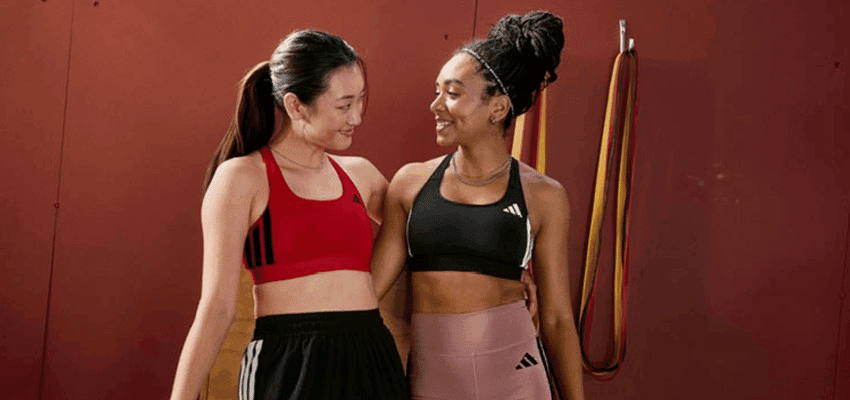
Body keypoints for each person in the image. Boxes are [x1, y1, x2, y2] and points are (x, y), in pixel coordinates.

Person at [169, 30, 407, 400]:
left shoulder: (361, 174)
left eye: (361, 101)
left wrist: (518, 270)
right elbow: (216, 308)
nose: (357, 117)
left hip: (371, 353)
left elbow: (422, 227)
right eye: (344, 105)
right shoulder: (241, 178)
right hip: (289, 361)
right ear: (296, 105)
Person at [372, 10, 585, 400]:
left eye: (452, 93)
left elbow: (556, 318)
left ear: (498, 108)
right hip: (429, 380)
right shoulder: (410, 184)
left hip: (515, 376)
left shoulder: (544, 195)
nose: (436, 105)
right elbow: (369, 292)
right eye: (437, 91)